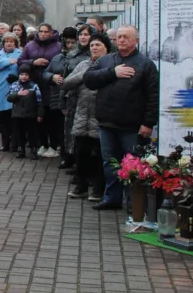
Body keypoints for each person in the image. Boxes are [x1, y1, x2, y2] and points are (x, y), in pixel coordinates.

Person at [83, 25, 159, 211]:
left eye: (126, 37)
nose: (122, 40)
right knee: (109, 163)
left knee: (133, 165)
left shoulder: (145, 64)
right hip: (107, 122)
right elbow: (89, 79)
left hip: (132, 126)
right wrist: (112, 73)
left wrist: (148, 123)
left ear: (136, 41)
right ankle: (112, 198)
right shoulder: (107, 60)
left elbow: (153, 96)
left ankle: (134, 202)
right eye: (119, 37)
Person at [62, 32, 110, 201]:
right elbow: (67, 83)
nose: (94, 48)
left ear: (106, 48)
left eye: (98, 45)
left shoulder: (111, 64)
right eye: (92, 45)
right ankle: (81, 187)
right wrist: (87, 74)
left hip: (101, 116)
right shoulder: (84, 64)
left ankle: (98, 189)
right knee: (80, 154)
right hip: (82, 114)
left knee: (99, 156)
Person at [18, 23, 62, 158]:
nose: (42, 34)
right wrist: (33, 62)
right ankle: (42, 143)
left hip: (51, 86)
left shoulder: (58, 46)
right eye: (40, 31)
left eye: (45, 31)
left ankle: (54, 145)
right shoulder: (30, 45)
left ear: (51, 33)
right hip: (35, 85)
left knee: (52, 117)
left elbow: (61, 62)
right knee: (38, 116)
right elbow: (20, 61)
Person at [43, 25, 77, 168]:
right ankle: (64, 156)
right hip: (58, 96)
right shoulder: (57, 58)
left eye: (72, 42)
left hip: (74, 97)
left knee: (73, 130)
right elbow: (45, 73)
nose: (70, 45)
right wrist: (52, 77)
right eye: (67, 42)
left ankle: (73, 157)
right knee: (60, 129)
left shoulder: (81, 58)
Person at [0, 33, 22, 152]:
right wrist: (8, 62)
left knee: (14, 119)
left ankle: (15, 143)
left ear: (15, 43)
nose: (9, 43)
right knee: (2, 119)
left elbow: (24, 69)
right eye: (7, 41)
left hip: (15, 90)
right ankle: (5, 143)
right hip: (0, 91)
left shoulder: (20, 54)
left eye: (12, 41)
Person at [7, 62, 43, 159]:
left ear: (30, 76)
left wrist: (40, 114)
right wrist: (18, 94)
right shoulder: (15, 85)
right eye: (22, 74)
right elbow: (9, 98)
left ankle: (33, 149)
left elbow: (39, 101)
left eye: (26, 74)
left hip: (31, 114)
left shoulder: (34, 86)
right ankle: (21, 149)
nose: (24, 76)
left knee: (32, 133)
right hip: (17, 114)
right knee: (19, 133)